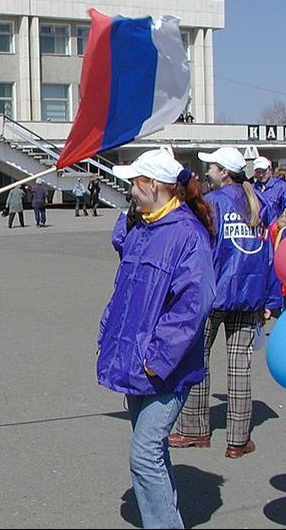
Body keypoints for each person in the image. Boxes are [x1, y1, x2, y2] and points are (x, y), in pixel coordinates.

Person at [97, 148, 216, 529]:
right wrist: (108, 334)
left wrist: (156, 357)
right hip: (135, 361)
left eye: (135, 183)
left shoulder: (187, 234)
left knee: (144, 453)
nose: (130, 190)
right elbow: (123, 286)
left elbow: (193, 305)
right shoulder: (143, 227)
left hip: (165, 369)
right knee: (152, 450)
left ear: (153, 185)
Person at [170, 147, 282, 460]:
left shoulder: (213, 203)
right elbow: (269, 254)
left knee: (197, 359)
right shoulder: (259, 202)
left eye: (211, 166)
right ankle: (238, 439)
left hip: (214, 294)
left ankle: (195, 429)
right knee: (240, 367)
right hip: (250, 294)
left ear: (223, 172)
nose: (207, 171)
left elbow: (197, 246)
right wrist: (272, 297)